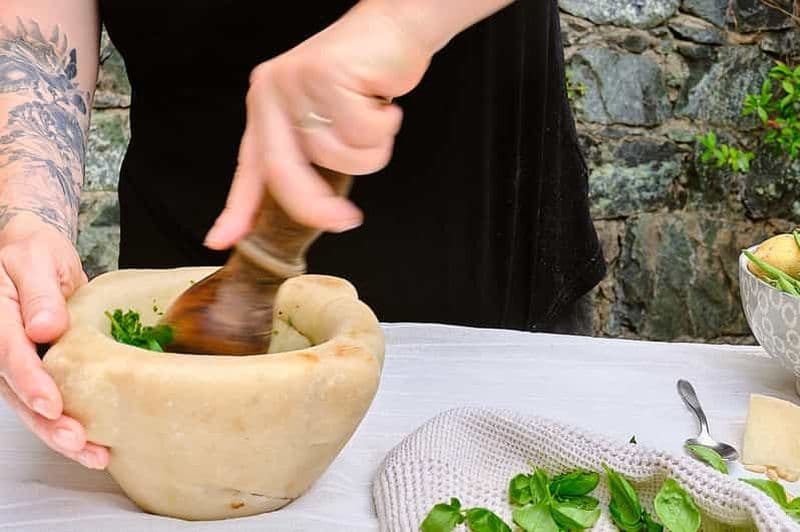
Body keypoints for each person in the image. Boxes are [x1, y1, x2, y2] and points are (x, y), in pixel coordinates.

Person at [0, 1, 605, 471]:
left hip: (485, 278)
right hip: (187, 274)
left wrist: (399, 23)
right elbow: (35, 34)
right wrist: (28, 218)